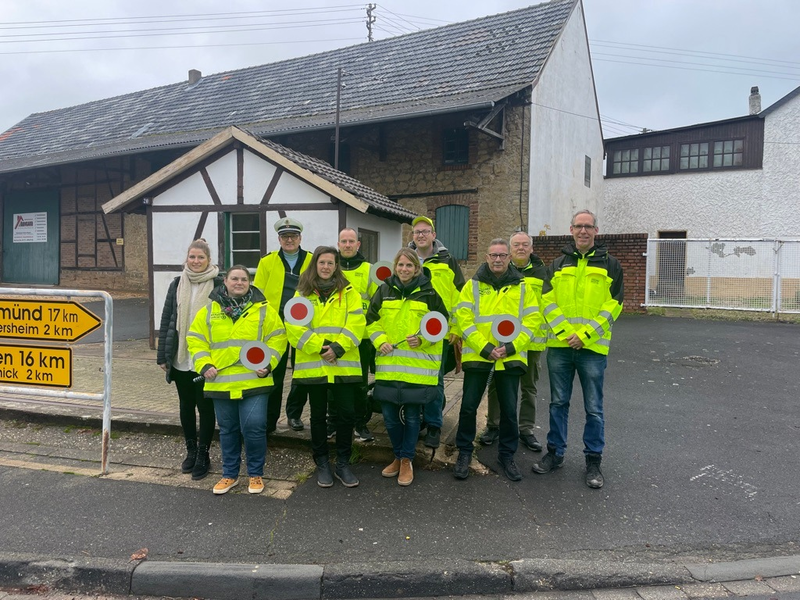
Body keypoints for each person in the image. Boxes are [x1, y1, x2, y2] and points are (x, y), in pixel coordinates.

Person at [531, 210, 623, 489]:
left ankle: (593, 460)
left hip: (592, 349)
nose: (583, 231)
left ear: (596, 231)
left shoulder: (610, 264)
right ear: (571, 229)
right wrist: (565, 333)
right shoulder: (557, 264)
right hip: (560, 347)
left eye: (588, 226)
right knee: (558, 403)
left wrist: (584, 335)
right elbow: (547, 301)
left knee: (593, 408)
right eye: (578, 226)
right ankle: (555, 453)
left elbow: (614, 305)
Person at [187, 266, 287, 495]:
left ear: (250, 282)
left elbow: (278, 338)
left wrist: (269, 364)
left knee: (254, 428)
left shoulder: (264, 309)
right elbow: (195, 338)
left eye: (244, 279)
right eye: (235, 278)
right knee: (228, 430)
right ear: (225, 281)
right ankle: (229, 475)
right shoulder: (209, 310)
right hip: (221, 381)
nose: (239, 282)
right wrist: (204, 365)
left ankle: (255, 474)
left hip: (255, 381)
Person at [453, 239, 541, 482]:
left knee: (509, 411)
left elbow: (532, 321)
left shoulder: (523, 287)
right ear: (487, 258)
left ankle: (507, 455)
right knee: (468, 406)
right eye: (494, 255)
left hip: (509, 358)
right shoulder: (472, 286)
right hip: (479, 356)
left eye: (502, 255)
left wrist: (511, 347)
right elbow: (463, 319)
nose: (498, 259)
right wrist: (485, 348)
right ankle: (464, 452)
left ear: (509, 258)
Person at [285, 246, 366, 488]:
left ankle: (342, 463)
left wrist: (338, 348)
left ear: (336, 266)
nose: (326, 267)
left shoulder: (349, 292)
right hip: (315, 365)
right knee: (318, 416)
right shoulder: (302, 293)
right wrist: (320, 347)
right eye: (322, 262)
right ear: (315, 265)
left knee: (346, 415)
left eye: (330, 263)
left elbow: (357, 323)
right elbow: (293, 327)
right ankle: (322, 462)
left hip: (343, 365)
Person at [366, 249, 448, 486]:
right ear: (395, 267)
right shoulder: (384, 290)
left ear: (416, 269)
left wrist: (422, 339)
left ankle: (406, 460)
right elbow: (371, 320)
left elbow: (441, 324)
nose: (404, 269)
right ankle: (398, 455)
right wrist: (380, 341)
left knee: (412, 417)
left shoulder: (429, 293)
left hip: (416, 369)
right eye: (400, 265)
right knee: (390, 418)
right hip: (389, 367)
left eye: (409, 265)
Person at [157, 239, 222, 481]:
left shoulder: (218, 284)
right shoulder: (177, 284)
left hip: (206, 356)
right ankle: (191, 450)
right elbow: (167, 319)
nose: (195, 261)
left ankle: (204, 454)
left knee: (205, 407)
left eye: (200, 257)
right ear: (187, 258)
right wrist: (163, 355)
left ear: (209, 260)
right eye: (192, 257)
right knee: (186, 404)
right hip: (181, 356)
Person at [480, 231, 548, 452]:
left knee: (529, 387)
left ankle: (526, 429)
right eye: (516, 244)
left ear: (531, 248)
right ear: (510, 251)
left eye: (525, 244)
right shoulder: (501, 272)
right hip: (503, 341)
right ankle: (494, 425)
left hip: (532, 341)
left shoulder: (543, 273)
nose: (521, 248)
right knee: (496, 385)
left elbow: (546, 306)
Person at [407, 215, 465, 449]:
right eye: (417, 232)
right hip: (410, 331)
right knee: (412, 378)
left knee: (435, 380)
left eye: (425, 231)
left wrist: (456, 328)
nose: (420, 235)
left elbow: (460, 297)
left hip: (437, 331)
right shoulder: (406, 259)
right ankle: (413, 422)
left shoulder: (447, 261)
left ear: (434, 235)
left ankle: (433, 425)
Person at [253, 217, 312, 434]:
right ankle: (269, 421)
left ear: (300, 238)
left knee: (301, 372)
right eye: (285, 236)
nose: (289, 240)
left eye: (293, 236)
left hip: (303, 323)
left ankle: (294, 415)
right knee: (274, 372)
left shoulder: (312, 260)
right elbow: (257, 294)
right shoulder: (267, 262)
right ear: (279, 239)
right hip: (275, 323)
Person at [337, 227, 378, 442]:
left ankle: (360, 424)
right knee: (334, 382)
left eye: (351, 241)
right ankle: (333, 423)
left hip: (361, 338)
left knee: (360, 383)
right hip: (335, 337)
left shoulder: (369, 269)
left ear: (358, 244)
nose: (347, 245)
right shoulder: (330, 267)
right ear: (338, 245)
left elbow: (377, 304)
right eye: (343, 241)